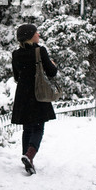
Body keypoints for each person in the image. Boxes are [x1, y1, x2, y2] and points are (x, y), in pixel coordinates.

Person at [11, 24, 57, 175]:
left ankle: (26, 157)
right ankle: (29, 156)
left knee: (27, 128)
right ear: (30, 35)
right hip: (38, 94)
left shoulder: (16, 54)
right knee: (38, 128)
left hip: (23, 95)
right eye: (36, 32)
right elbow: (51, 73)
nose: (38, 34)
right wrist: (52, 65)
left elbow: (17, 77)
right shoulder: (40, 50)